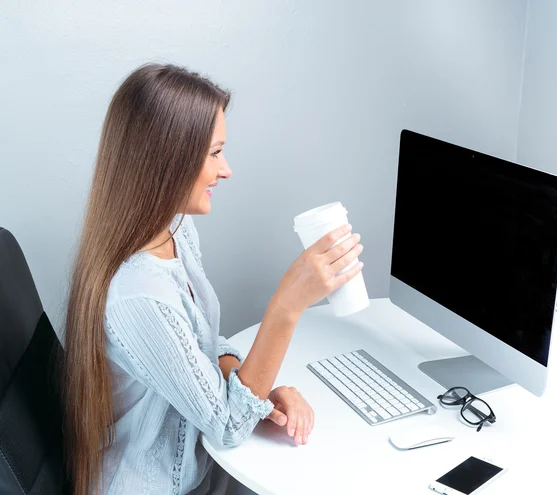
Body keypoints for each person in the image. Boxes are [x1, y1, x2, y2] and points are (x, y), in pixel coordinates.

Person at [63, 64, 364, 495]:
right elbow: (227, 427)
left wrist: (258, 388)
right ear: (167, 159)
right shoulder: (137, 296)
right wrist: (287, 305)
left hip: (201, 468)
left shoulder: (176, 231)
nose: (226, 170)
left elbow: (202, 345)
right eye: (214, 153)